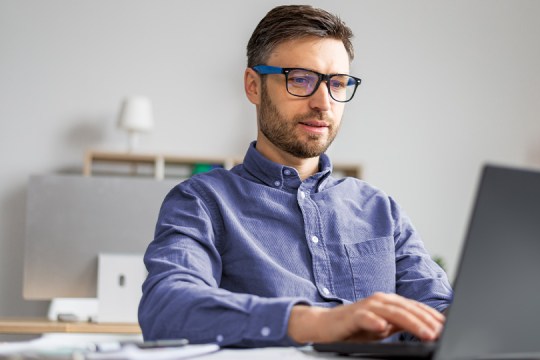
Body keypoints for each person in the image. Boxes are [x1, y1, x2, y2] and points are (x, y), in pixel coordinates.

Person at [138, 4, 453, 348]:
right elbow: (167, 308)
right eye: (300, 79)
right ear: (253, 86)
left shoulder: (380, 209)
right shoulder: (202, 202)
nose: (324, 102)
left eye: (338, 82)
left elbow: (437, 310)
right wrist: (316, 323)